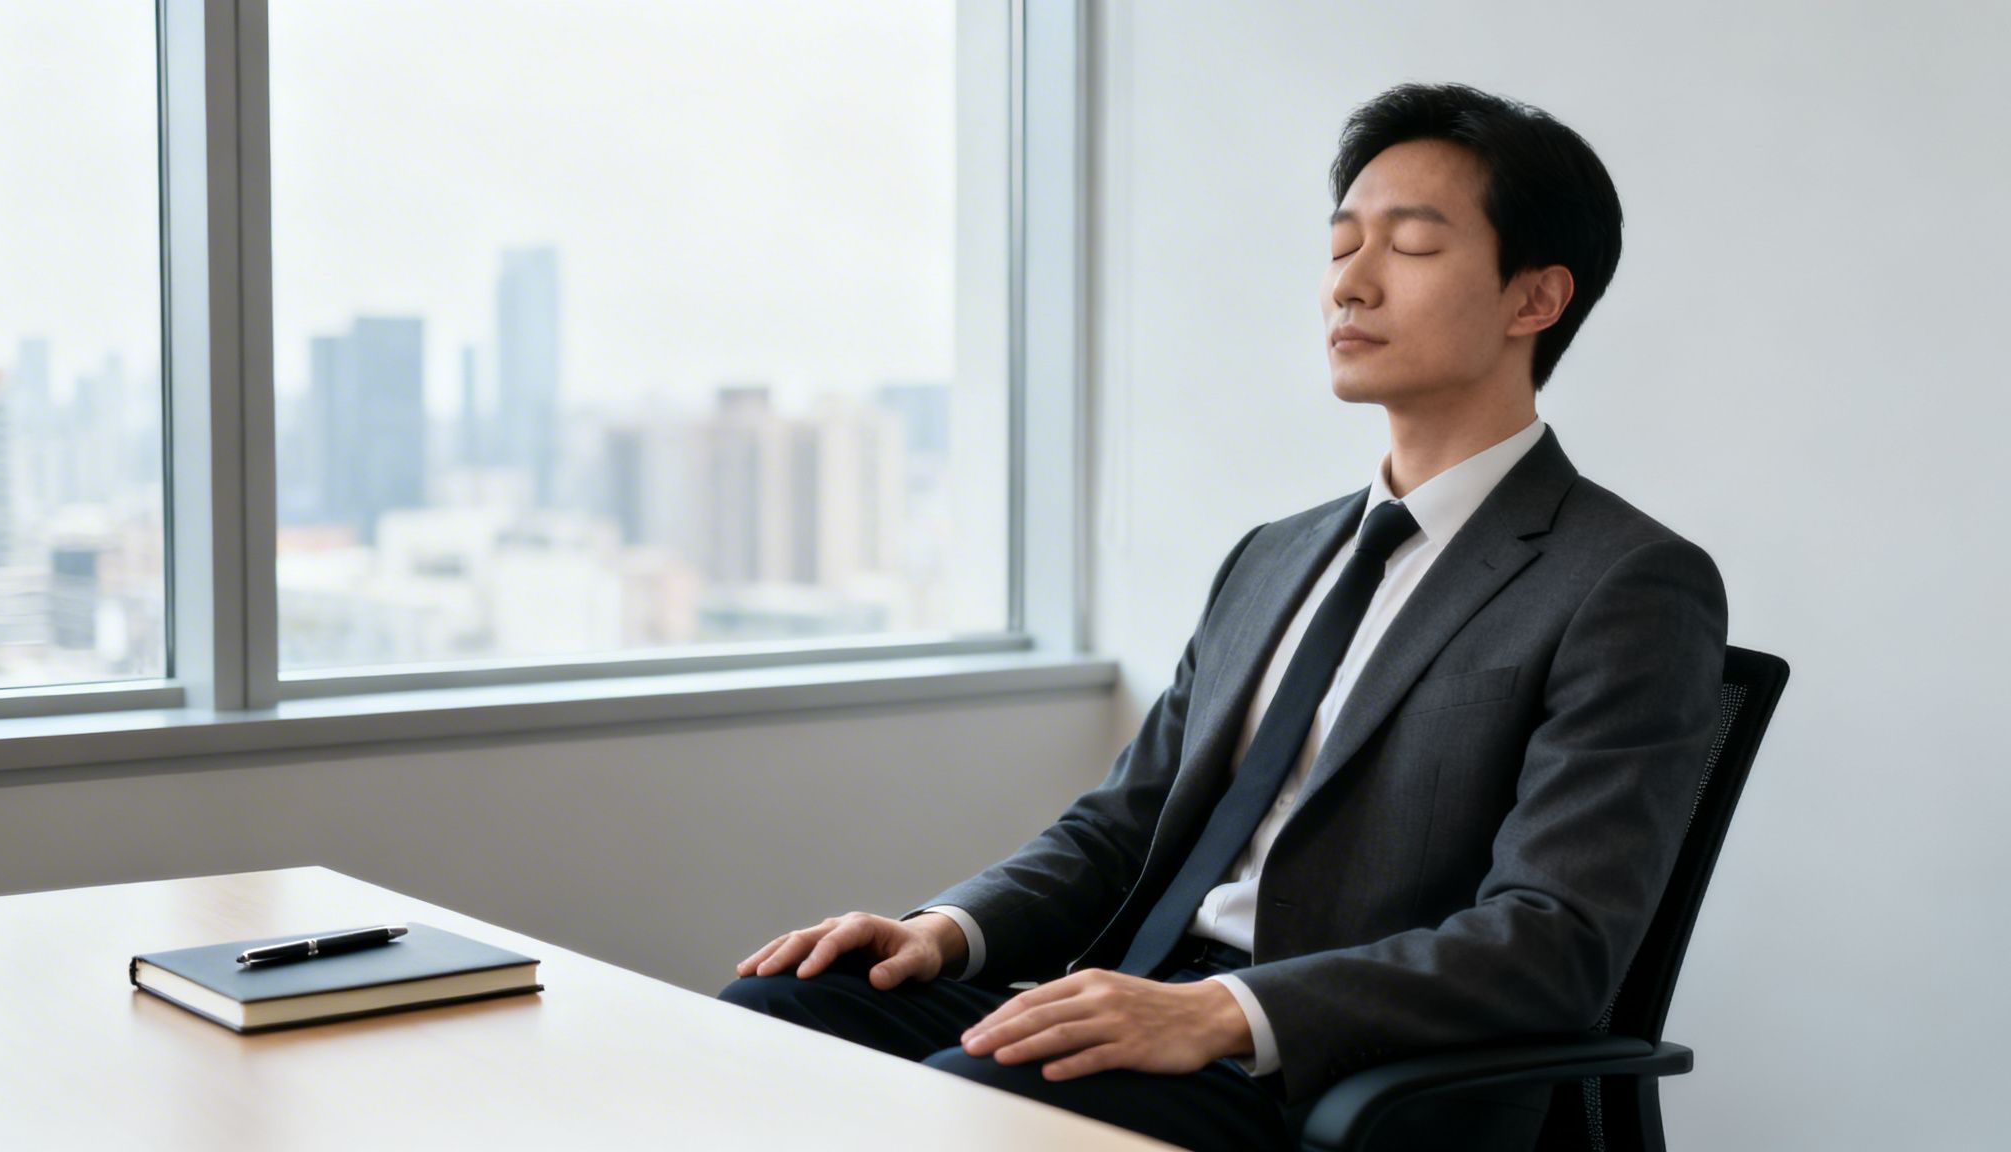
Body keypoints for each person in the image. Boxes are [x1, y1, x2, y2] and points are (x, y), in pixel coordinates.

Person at [720, 82, 1727, 1152]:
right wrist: (944, 932)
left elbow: (1553, 940)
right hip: (1135, 999)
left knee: (962, 1100)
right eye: (1340, 246)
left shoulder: (1623, 581)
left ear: (1533, 299)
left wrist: (1219, 1014)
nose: (1349, 281)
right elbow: (1119, 827)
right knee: (776, 1019)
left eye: (1411, 248)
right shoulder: (1276, 555)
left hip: (1329, 1068)